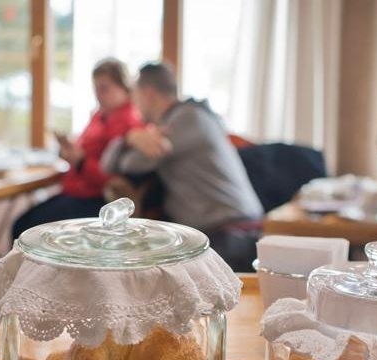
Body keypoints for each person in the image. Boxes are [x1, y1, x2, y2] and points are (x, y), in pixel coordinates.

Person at [99, 62, 263, 271]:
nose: (134, 103)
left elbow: (130, 164)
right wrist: (130, 137)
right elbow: (109, 164)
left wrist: (130, 139)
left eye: (136, 95)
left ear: (148, 94)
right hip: (226, 231)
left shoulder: (185, 120)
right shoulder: (187, 117)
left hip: (231, 234)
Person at [11, 58, 143, 239]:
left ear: (124, 88)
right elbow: (86, 149)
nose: (98, 95)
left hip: (99, 200)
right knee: (23, 224)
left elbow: (116, 180)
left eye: (104, 88)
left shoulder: (130, 123)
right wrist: (69, 151)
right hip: (78, 191)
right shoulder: (100, 115)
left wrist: (80, 162)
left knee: (25, 230)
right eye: (95, 88)